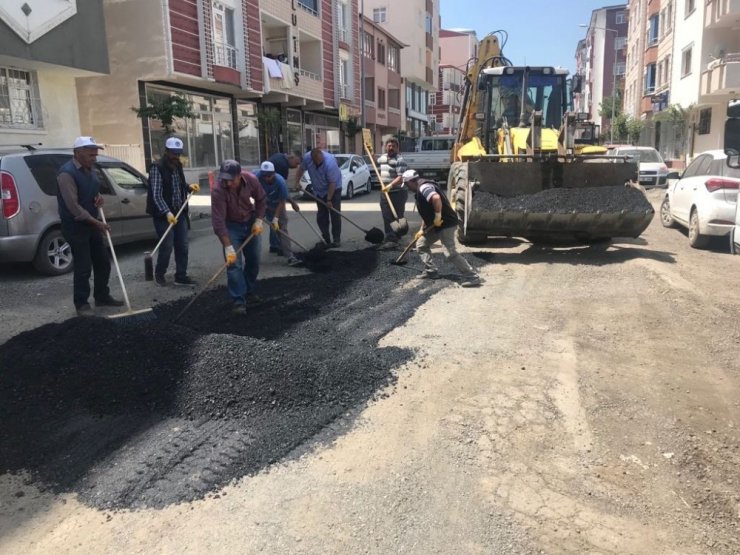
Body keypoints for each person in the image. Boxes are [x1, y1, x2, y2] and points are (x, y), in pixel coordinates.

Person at [57, 136, 124, 316]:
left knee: (102, 262)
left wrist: (98, 199)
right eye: (90, 154)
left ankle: (102, 296)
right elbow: (73, 207)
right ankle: (81, 304)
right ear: (78, 153)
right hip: (76, 226)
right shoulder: (66, 174)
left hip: (92, 224)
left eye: (95, 154)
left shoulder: (90, 170)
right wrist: (98, 223)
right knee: (83, 266)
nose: (94, 158)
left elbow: (92, 192)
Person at [401, 169, 482, 288]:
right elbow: (427, 212)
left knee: (450, 252)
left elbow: (436, 198)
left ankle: (472, 276)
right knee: (421, 244)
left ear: (411, 182)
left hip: (446, 223)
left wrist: (438, 216)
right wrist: (421, 229)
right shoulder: (421, 188)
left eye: (407, 184)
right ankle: (431, 271)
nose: (407, 187)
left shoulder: (424, 187)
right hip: (435, 224)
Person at [211, 160, 267, 314]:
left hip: (250, 223)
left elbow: (261, 199)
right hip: (231, 227)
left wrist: (259, 220)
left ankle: (248, 291)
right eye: (225, 179)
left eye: (231, 179)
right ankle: (238, 300)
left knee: (254, 260)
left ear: (239, 175)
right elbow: (218, 222)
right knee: (234, 265)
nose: (228, 183)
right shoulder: (218, 190)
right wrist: (228, 247)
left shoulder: (251, 180)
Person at [146, 136, 199, 286]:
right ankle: (159, 273)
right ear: (167, 151)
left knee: (182, 245)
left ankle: (181, 275)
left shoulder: (178, 165)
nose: (176, 156)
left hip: (179, 212)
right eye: (173, 153)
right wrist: (167, 212)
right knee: (167, 245)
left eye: (178, 153)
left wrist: (189, 187)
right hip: (163, 215)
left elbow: (179, 184)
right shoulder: (157, 167)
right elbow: (156, 194)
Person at [255, 160, 301, 267]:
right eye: (264, 176)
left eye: (269, 176)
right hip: (262, 202)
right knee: (253, 227)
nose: (266, 178)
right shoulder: (257, 178)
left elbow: (282, 201)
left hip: (277, 204)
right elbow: (252, 193)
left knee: (281, 227)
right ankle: (253, 257)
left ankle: (290, 256)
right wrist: (259, 215)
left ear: (274, 173)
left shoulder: (280, 182)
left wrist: (275, 218)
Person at [295, 148, 343, 248]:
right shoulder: (307, 158)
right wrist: (297, 182)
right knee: (321, 215)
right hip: (319, 190)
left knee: (335, 214)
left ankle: (336, 240)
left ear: (322, 156)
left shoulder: (330, 163)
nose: (318, 163)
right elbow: (301, 169)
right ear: (312, 159)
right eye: (316, 162)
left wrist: (329, 199)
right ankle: (326, 239)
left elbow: (332, 183)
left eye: (320, 162)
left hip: (334, 189)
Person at [267, 151, 302, 255]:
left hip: (267, 193)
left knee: (273, 221)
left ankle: (274, 245)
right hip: (272, 196)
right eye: (296, 163)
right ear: (292, 157)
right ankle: (281, 247)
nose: (296, 167)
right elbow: (283, 190)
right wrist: (292, 203)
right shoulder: (282, 166)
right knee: (281, 221)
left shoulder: (278, 156)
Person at [376, 138, 408, 250]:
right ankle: (391, 237)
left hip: (398, 192)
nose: (391, 148)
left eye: (393, 146)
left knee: (397, 215)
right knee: (387, 215)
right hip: (385, 192)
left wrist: (390, 185)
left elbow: (400, 177)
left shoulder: (400, 160)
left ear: (397, 148)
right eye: (389, 146)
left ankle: (395, 236)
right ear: (386, 147)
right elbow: (375, 160)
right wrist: (370, 151)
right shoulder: (382, 158)